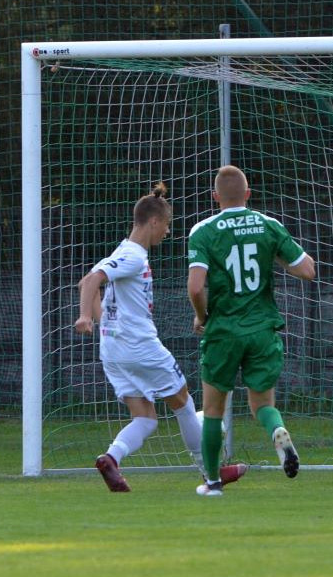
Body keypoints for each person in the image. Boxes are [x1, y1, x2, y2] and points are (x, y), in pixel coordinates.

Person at [74, 182, 247, 492]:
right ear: (154, 221)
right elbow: (90, 281)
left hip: (113, 350)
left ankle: (111, 458)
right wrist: (85, 316)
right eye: (166, 225)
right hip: (140, 347)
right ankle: (211, 473)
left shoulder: (122, 252)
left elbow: (88, 282)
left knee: (146, 418)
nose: (167, 231)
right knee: (183, 402)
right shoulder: (133, 256)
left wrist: (105, 324)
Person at [188, 165, 316, 497]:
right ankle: (277, 431)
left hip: (223, 331)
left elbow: (196, 286)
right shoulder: (268, 225)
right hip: (262, 329)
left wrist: (201, 316)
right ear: (248, 193)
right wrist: (276, 257)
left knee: (213, 409)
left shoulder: (203, 231)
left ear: (215, 197)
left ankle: (213, 483)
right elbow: (307, 270)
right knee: (261, 404)